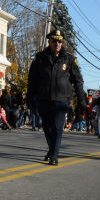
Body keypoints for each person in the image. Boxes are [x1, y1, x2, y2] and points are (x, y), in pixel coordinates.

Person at [27, 28, 87, 165]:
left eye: (60, 41)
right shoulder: (40, 58)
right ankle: (51, 149)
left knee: (57, 127)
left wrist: (81, 100)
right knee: (47, 127)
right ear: (49, 41)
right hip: (44, 98)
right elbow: (32, 79)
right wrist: (30, 96)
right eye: (55, 41)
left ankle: (54, 154)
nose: (57, 44)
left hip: (61, 100)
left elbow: (78, 80)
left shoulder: (69, 59)